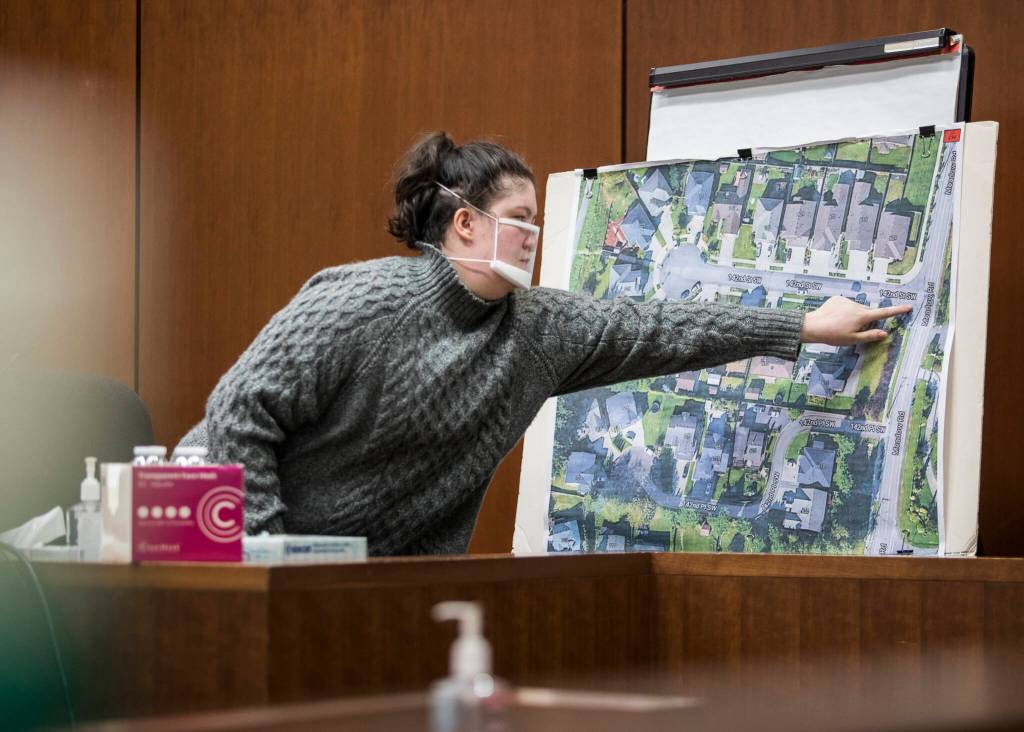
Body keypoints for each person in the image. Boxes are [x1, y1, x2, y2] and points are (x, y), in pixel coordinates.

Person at [178, 132, 910, 556]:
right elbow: (240, 410)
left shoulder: (541, 330)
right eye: (520, 216)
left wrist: (803, 326)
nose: (536, 232)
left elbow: (660, 327)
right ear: (465, 224)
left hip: (366, 587)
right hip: (220, 548)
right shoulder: (362, 302)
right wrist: (267, 560)